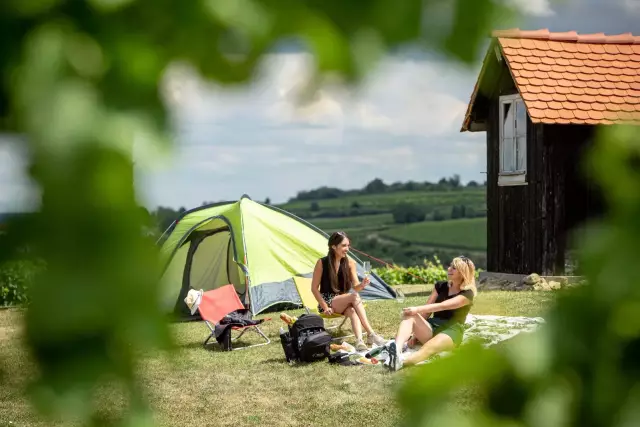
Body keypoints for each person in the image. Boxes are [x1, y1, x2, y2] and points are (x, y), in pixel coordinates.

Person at [387, 256, 477, 371]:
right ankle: (396, 350)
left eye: (454, 268)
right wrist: (415, 334)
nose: (449, 269)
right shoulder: (440, 286)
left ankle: (401, 363)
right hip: (432, 326)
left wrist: (416, 309)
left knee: (428, 347)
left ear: (463, 272)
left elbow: (444, 305)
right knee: (409, 315)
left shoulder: (468, 294)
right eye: (450, 266)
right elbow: (427, 310)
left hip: (452, 330)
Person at [311, 231, 386, 352]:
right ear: (333, 246)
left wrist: (362, 285)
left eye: (348, 245)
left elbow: (355, 286)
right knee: (354, 297)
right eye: (344, 245)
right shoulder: (322, 263)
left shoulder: (350, 263)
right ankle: (371, 334)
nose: (347, 249)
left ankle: (359, 341)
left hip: (343, 299)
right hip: (327, 302)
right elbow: (314, 288)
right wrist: (325, 307)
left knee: (352, 310)